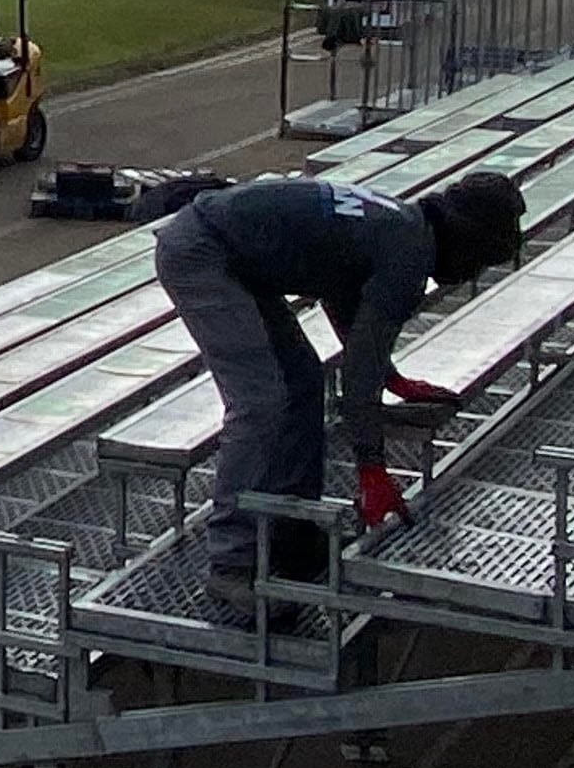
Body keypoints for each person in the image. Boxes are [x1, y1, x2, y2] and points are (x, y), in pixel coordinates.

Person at [152, 169, 526, 613]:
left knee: (305, 380)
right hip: (203, 252)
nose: (471, 274)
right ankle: (232, 563)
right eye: (481, 262)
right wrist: (371, 467)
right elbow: (357, 373)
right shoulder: (409, 253)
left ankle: (293, 534)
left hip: (231, 252)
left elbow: (345, 303)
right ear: (468, 240)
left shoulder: (403, 224)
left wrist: (392, 379)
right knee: (262, 401)